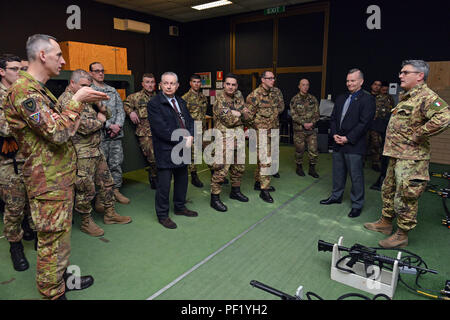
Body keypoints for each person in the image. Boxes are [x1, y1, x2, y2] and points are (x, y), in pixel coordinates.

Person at [4, 34, 108, 299]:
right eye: (58, 55)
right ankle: (53, 293)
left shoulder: (39, 89)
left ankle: (63, 280)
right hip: (47, 181)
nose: (63, 61)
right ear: (42, 55)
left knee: (61, 238)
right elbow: (59, 132)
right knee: (51, 242)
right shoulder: (25, 92)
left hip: (58, 177)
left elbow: (66, 129)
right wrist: (78, 99)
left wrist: (75, 106)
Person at [364, 60, 450, 248]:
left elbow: (444, 117)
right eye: (401, 72)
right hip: (397, 155)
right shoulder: (407, 97)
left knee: (406, 196)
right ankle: (385, 223)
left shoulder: (426, 96)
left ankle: (402, 234)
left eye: (405, 72)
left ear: (420, 76)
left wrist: (420, 133)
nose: (400, 75)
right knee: (388, 189)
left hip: (412, 158)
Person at [58, 69, 132, 237]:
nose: (87, 88)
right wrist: (100, 120)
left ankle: (110, 214)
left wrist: (100, 106)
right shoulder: (66, 100)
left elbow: (109, 114)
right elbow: (84, 127)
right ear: (72, 83)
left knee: (107, 182)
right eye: (83, 85)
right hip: (81, 152)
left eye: (89, 85)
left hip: (95, 148)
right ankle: (85, 221)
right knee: (86, 189)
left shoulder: (87, 98)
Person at [320, 69, 375, 218]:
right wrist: (335, 134)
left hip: (354, 144)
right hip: (338, 142)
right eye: (348, 81)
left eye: (353, 80)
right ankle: (336, 197)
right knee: (338, 173)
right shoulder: (341, 97)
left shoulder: (367, 99)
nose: (349, 83)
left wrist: (348, 138)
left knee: (355, 176)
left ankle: (357, 204)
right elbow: (333, 118)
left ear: (361, 82)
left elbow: (364, 123)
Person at [147, 72, 198, 229]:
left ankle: (180, 207)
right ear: (160, 85)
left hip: (183, 148)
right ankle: (163, 215)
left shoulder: (181, 102)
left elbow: (189, 121)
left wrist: (191, 135)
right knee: (164, 185)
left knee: (182, 180)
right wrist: (184, 138)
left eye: (172, 83)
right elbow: (161, 129)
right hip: (166, 149)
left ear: (177, 85)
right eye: (166, 83)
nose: (169, 86)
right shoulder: (154, 104)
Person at [0, 53, 35, 272]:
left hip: (30, 157)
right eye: (14, 69)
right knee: (13, 207)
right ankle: (15, 246)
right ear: (2, 71)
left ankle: (33, 232)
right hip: (8, 162)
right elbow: (4, 128)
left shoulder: (24, 92)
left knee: (33, 202)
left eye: (21, 69)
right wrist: (30, 122)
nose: (19, 73)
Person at [89, 62, 130, 205]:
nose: (100, 73)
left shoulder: (112, 90)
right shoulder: (89, 91)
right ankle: (102, 195)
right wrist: (109, 126)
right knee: (100, 166)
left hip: (116, 136)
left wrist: (117, 126)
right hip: (100, 135)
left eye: (102, 70)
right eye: (97, 71)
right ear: (91, 73)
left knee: (116, 163)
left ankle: (116, 190)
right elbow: (91, 114)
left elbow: (120, 109)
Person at [210, 73, 249, 212]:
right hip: (224, 138)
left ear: (236, 86)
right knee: (221, 168)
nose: (231, 87)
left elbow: (248, 115)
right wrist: (240, 114)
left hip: (238, 136)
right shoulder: (220, 100)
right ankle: (214, 198)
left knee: (239, 166)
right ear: (224, 85)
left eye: (233, 84)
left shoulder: (239, 97)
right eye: (228, 84)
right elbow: (229, 120)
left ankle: (235, 191)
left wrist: (237, 112)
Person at [245, 71, 281, 203]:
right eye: (270, 78)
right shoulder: (254, 96)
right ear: (263, 80)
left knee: (263, 160)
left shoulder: (274, 93)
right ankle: (264, 190)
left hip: (272, 132)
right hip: (260, 133)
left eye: (273, 78)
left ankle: (257, 183)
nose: (273, 80)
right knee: (266, 161)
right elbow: (247, 116)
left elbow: (277, 110)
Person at [123, 73, 158, 189]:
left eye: (152, 82)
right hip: (145, 133)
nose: (150, 85)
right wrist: (131, 112)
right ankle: (153, 175)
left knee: (161, 156)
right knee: (152, 158)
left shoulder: (159, 97)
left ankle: (157, 176)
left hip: (159, 132)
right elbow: (125, 104)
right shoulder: (135, 97)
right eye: (147, 82)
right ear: (143, 84)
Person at [182, 74, 208, 188]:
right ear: (190, 83)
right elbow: (182, 116)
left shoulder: (203, 97)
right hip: (191, 130)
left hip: (203, 129)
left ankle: (215, 173)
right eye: (194, 82)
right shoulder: (185, 98)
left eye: (198, 82)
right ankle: (194, 176)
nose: (196, 84)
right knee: (194, 154)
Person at [290, 78, 320, 178]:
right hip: (299, 130)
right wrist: (304, 123)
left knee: (313, 150)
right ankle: (299, 167)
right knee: (299, 150)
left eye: (307, 85)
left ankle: (312, 169)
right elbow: (293, 115)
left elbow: (317, 114)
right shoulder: (294, 100)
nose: (305, 87)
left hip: (311, 130)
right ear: (299, 86)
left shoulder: (313, 99)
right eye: (303, 85)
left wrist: (312, 123)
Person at [369, 81, 395, 190]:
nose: (384, 89)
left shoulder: (389, 98)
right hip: (374, 123)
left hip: (385, 124)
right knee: (374, 143)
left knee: (380, 144)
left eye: (385, 88)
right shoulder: (374, 97)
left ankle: (377, 162)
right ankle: (373, 161)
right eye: (382, 87)